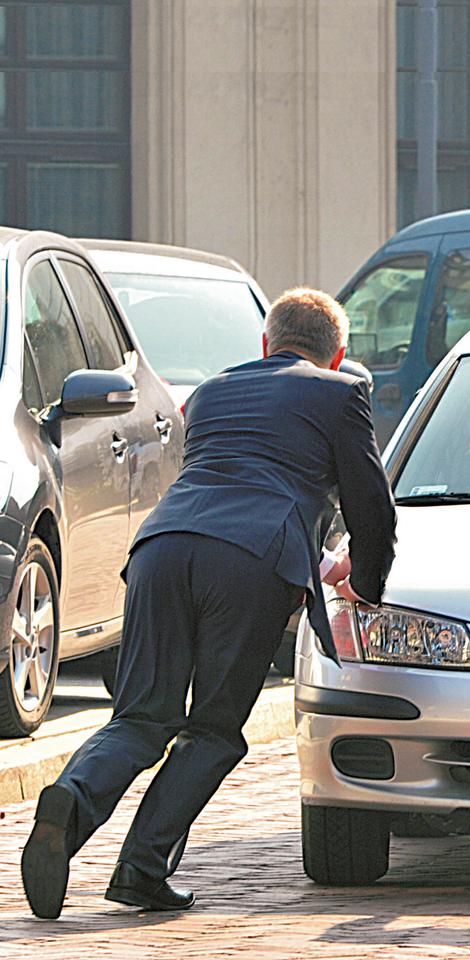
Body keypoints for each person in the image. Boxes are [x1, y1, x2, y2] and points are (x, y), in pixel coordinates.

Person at [21, 289, 396, 918]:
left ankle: (71, 798)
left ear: (265, 345)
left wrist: (321, 557)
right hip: (249, 564)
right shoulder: (339, 394)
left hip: (163, 547)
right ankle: (141, 868)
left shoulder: (214, 392)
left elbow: (237, 480)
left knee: (141, 717)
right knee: (214, 729)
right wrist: (369, 583)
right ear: (338, 358)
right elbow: (371, 506)